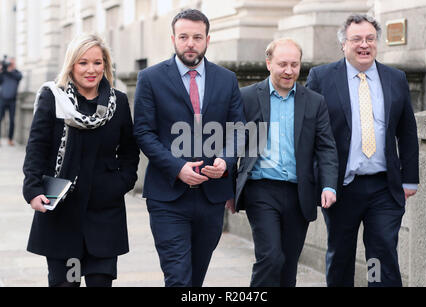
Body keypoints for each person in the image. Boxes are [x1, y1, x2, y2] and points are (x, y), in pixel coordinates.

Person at [133, 9, 245, 287]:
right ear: (173, 38)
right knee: (178, 277)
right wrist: (178, 167)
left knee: (195, 278)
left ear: (208, 39)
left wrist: (225, 161)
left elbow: (238, 128)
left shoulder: (227, 79)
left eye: (197, 37)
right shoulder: (150, 78)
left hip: (212, 196)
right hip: (167, 196)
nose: (190, 43)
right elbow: (143, 132)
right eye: (183, 37)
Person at [305, 14, 419, 287]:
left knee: (380, 254)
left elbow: (407, 131)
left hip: (384, 186)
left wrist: (410, 177)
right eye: (356, 39)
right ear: (343, 45)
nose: (364, 44)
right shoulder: (321, 78)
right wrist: (318, 180)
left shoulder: (395, 78)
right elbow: (309, 134)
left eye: (370, 38)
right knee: (341, 254)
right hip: (342, 186)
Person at [22, 33, 140, 287]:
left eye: (97, 63)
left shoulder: (117, 102)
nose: (91, 70)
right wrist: (33, 190)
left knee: (100, 282)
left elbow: (130, 151)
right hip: (63, 213)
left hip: (105, 215)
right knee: (67, 283)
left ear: (105, 65)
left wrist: (121, 182)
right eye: (83, 63)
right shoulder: (53, 98)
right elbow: (37, 149)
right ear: (71, 65)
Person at [227, 38, 339, 287]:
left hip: (299, 193)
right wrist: (228, 188)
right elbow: (232, 145)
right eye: (282, 64)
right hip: (261, 190)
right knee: (270, 257)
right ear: (269, 63)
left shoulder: (314, 101)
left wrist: (329, 186)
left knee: (288, 266)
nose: (289, 71)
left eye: (295, 65)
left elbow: (326, 148)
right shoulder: (247, 98)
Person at [0, 56, 22, 146]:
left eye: (12, 62)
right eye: (9, 62)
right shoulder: (3, 74)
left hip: (12, 101)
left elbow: (19, 77)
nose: (10, 64)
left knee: (12, 120)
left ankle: (10, 139)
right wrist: (2, 69)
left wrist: (10, 69)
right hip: (2, 99)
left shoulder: (17, 73)